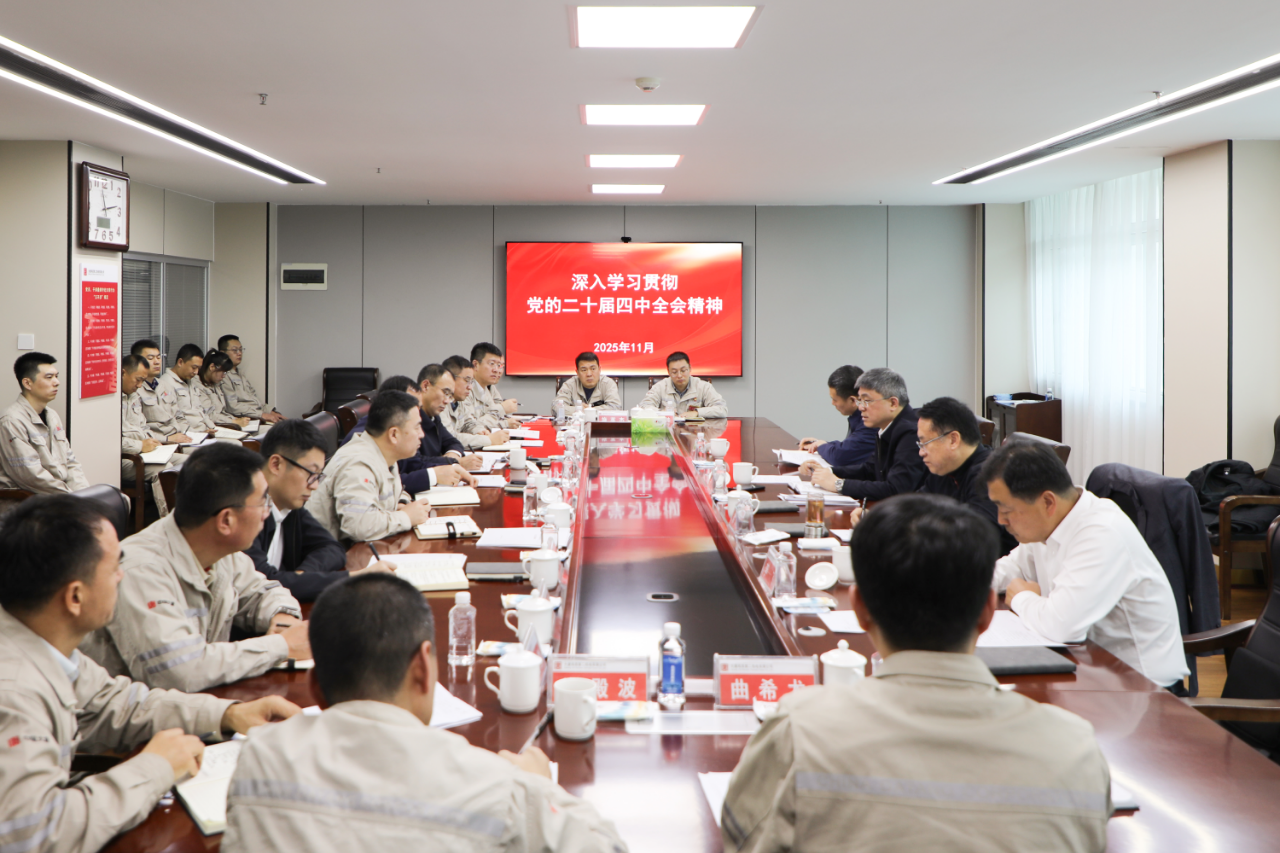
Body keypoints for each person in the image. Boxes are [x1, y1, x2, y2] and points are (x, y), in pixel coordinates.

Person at [721, 494, 1111, 852]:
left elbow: (742, 840)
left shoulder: (800, 730)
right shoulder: (1075, 750)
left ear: (860, 610)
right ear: (987, 613)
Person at [222, 573, 628, 853]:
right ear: (422, 667)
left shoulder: (257, 757)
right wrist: (540, 788)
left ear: (315, 687)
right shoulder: (494, 787)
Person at [0, 496, 301, 853]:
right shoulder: (15, 689)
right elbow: (34, 834)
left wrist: (228, 713)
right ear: (75, 597)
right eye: (114, 568)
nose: (122, 576)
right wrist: (156, 767)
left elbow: (119, 703)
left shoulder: (45, 645)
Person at [80, 443, 311, 691]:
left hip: (193, 705)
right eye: (263, 502)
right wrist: (280, 646)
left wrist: (282, 618)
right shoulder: (140, 570)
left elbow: (263, 590)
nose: (267, 513)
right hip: (131, 713)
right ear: (226, 520)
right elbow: (182, 672)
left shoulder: (219, 551)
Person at [983, 438, 1190, 690]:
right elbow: (1011, 568)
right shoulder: (1051, 522)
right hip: (1090, 667)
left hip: (1142, 688)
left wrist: (1020, 597)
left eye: (1006, 511)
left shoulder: (1101, 532)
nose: (1001, 520)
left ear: (1047, 502)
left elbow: (1061, 626)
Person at [245, 419, 392, 602]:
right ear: (276, 464)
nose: (314, 486)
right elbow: (264, 583)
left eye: (318, 476)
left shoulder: (290, 506)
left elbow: (333, 548)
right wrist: (356, 578)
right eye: (310, 473)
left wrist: (303, 576)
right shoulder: (245, 512)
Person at [308, 390, 433, 544]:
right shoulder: (358, 463)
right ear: (394, 435)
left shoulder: (385, 454)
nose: (422, 434)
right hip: (333, 553)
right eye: (417, 427)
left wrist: (402, 504)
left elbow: (396, 492)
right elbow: (359, 526)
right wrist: (406, 517)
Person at [800, 368, 925, 500]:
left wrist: (838, 484)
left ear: (893, 403)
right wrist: (829, 472)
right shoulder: (887, 426)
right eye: (860, 400)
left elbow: (896, 490)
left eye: (867, 401)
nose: (861, 407)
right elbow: (870, 470)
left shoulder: (913, 432)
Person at [915, 396, 1017, 555]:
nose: (921, 452)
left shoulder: (990, 474)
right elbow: (915, 507)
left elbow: (975, 538)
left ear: (953, 440)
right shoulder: (945, 467)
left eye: (925, 443)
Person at [340, 375, 475, 490]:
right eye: (411, 406)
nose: (421, 434)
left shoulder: (387, 437)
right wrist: (435, 474)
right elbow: (381, 489)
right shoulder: (362, 452)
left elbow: (394, 482)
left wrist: (402, 502)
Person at [0, 352, 90, 495]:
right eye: (49, 377)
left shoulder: (52, 415)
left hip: (60, 496)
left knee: (114, 500)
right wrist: (72, 498)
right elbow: (31, 476)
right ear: (27, 383)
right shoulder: (11, 421)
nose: (56, 382)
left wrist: (84, 493)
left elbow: (70, 462)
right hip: (30, 500)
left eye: (56, 376)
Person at [797, 365, 876, 468]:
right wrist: (822, 444)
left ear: (852, 400)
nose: (832, 403)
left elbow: (840, 457)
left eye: (835, 399)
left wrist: (822, 446)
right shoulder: (858, 417)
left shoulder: (870, 421)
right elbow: (850, 447)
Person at [120, 355, 170, 513]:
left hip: (145, 451)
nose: (140, 385)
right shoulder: (110, 400)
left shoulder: (134, 396)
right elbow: (113, 440)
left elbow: (143, 426)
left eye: (143, 380)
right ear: (123, 373)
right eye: (138, 380)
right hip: (124, 458)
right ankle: (169, 519)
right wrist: (140, 445)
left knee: (187, 461)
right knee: (165, 470)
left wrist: (151, 440)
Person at [441, 354, 508, 450]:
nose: (470, 387)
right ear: (450, 379)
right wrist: (488, 440)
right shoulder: (440, 404)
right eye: (467, 380)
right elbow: (450, 438)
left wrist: (480, 431)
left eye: (471, 381)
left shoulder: (459, 401)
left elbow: (468, 423)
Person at [217, 334, 284, 423]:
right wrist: (261, 415)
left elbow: (256, 401)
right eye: (235, 350)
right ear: (222, 353)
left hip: (257, 414)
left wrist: (271, 412)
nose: (239, 353)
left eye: (241, 349)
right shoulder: (223, 376)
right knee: (278, 429)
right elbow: (233, 407)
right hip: (246, 418)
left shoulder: (241, 374)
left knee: (286, 424)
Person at [640, 351, 728, 418]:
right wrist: (662, 412)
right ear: (669, 372)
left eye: (683, 370)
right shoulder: (660, 387)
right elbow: (643, 407)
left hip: (695, 432)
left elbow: (722, 409)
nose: (679, 375)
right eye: (674, 372)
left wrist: (697, 413)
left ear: (690, 368)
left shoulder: (703, 387)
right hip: (667, 432)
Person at [157, 343, 215, 435]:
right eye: (194, 367)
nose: (196, 372)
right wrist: (199, 433)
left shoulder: (191, 381)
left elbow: (201, 410)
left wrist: (213, 428)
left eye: (199, 369)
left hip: (204, 431)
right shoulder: (166, 383)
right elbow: (174, 419)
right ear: (180, 362)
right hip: (189, 434)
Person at [468, 342, 520, 430]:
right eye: (492, 364)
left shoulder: (490, 387)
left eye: (500, 365)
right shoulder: (465, 389)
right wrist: (502, 409)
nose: (497, 370)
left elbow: (498, 417)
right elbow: (471, 427)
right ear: (475, 365)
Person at [194, 349, 251, 429]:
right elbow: (210, 415)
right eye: (223, 372)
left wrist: (235, 419)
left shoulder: (215, 384)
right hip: (213, 427)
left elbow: (222, 411)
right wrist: (234, 422)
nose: (224, 376)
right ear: (212, 367)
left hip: (225, 423)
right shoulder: (197, 385)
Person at [556, 351, 622, 410]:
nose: (589, 374)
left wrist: (589, 410)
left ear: (599, 370)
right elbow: (556, 407)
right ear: (577, 372)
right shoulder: (569, 385)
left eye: (593, 369)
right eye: (584, 370)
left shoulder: (608, 384)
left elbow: (616, 407)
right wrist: (578, 409)